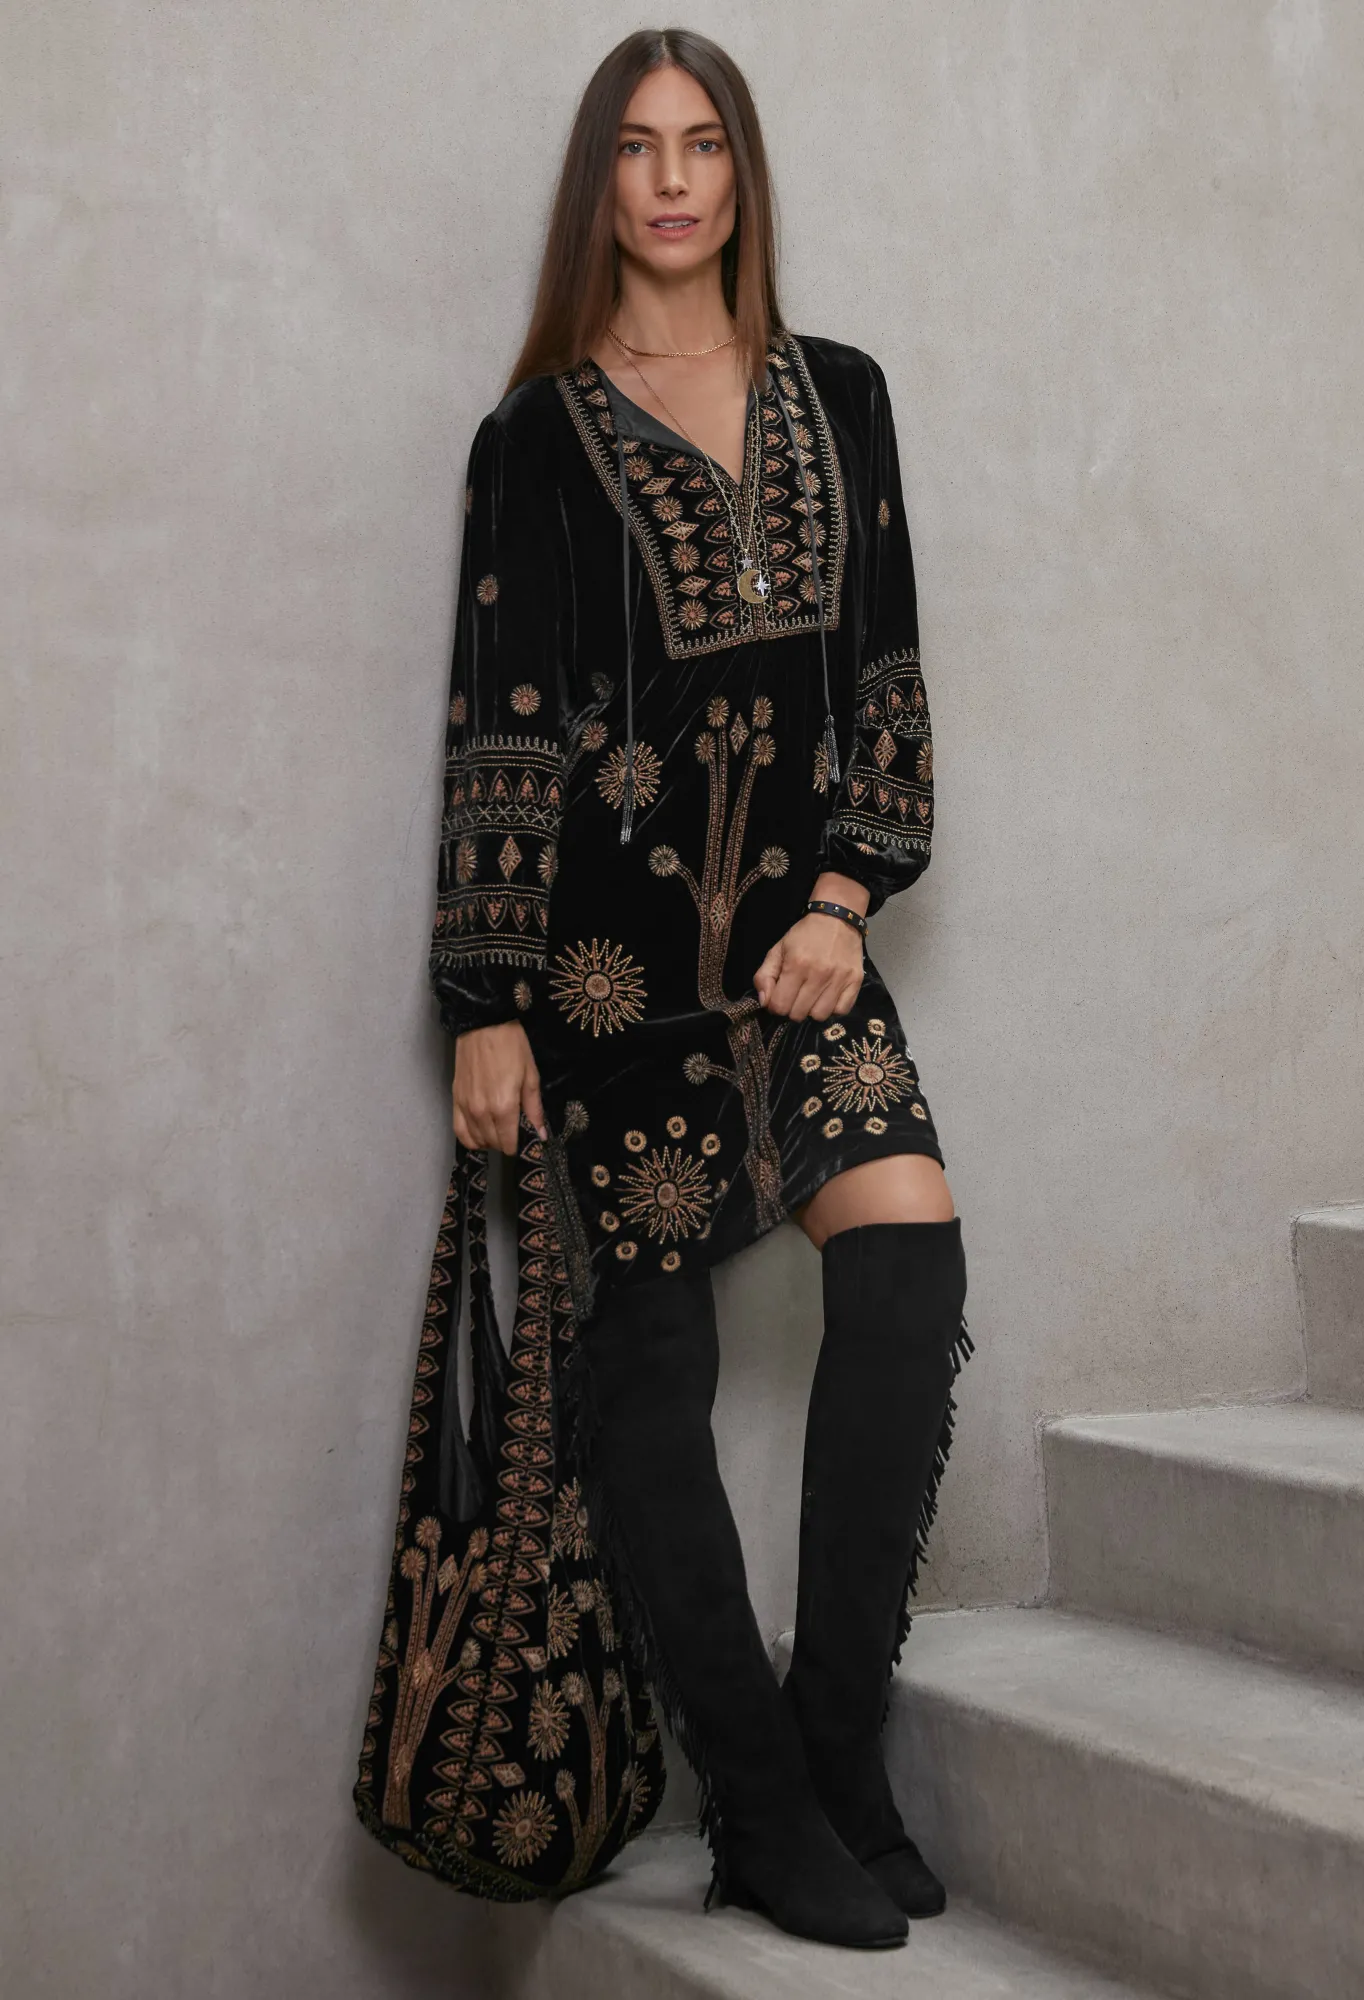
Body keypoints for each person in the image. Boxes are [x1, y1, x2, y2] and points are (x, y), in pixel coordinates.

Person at [433, 27, 969, 1952]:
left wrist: (846, 890)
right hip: (602, 976)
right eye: (637, 149)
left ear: (742, 174)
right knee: (650, 1371)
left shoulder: (846, 396)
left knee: (906, 1269)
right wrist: (485, 998)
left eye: (704, 144)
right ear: (602, 183)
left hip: (798, 954)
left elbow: (887, 680)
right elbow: (504, 725)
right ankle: (755, 1802)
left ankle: (832, 1753)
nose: (672, 180)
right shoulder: (537, 436)